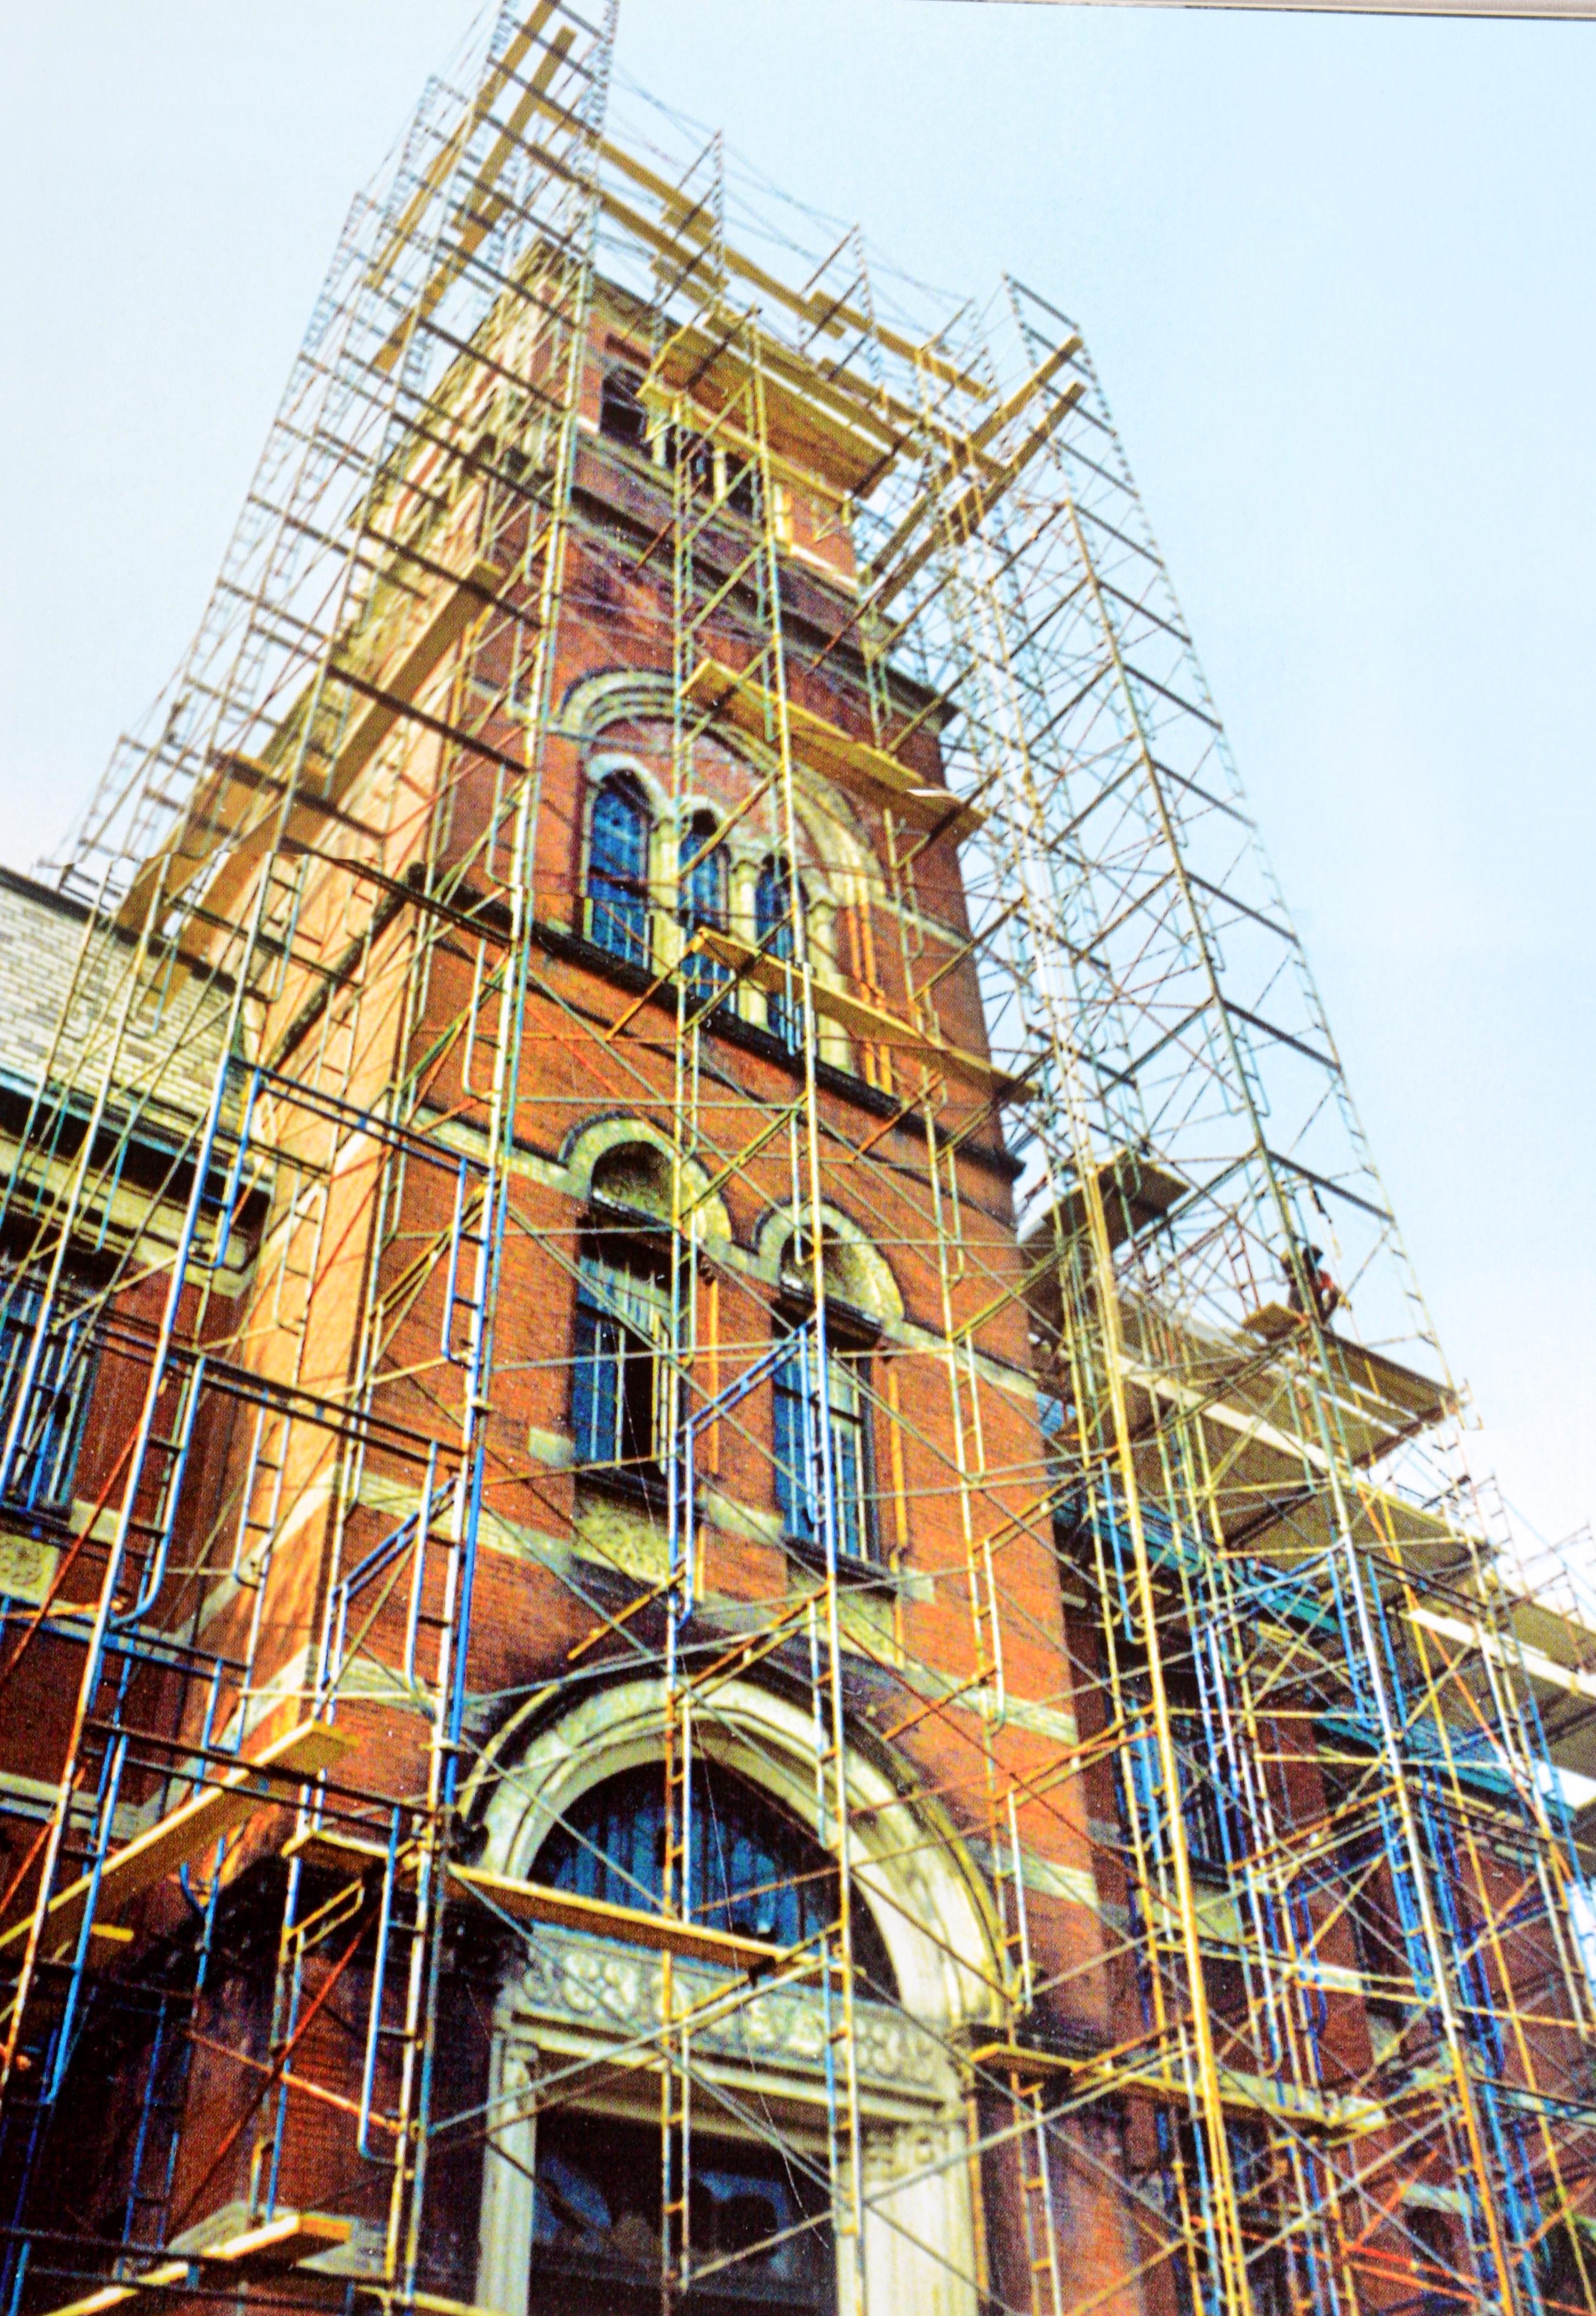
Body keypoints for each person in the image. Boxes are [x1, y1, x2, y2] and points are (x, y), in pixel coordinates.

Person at [1285, 1242, 1340, 1325]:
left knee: (1334, 1295)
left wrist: (1336, 1294)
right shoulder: (1299, 1273)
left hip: (1315, 1309)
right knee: (1296, 1290)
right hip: (1298, 1308)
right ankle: (1302, 1318)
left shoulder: (1321, 1275)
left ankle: (1322, 1322)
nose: (1309, 1262)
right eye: (1307, 1258)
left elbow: (1332, 1287)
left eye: (1314, 1259)